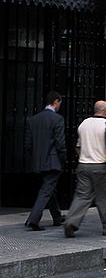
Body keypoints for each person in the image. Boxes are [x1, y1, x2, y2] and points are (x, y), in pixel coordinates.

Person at [64, 100, 106, 237]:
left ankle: (71, 222)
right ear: (105, 111)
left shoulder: (84, 124)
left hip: (84, 165)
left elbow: (77, 146)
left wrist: (85, 157)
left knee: (82, 196)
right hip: (101, 166)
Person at [24, 91, 66, 231]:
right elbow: (60, 143)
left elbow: (28, 144)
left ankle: (57, 217)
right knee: (46, 191)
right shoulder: (57, 119)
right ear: (55, 102)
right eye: (60, 103)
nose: (60, 106)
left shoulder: (33, 119)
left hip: (38, 161)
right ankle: (33, 220)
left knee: (49, 189)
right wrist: (63, 158)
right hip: (52, 161)